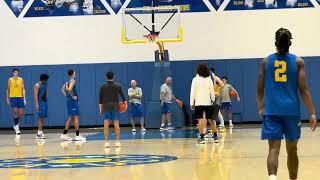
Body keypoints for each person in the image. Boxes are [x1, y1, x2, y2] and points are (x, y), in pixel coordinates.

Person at [257, 28, 317, 180]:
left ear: (275, 43)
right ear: (290, 42)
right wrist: (312, 112)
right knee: (292, 150)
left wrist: (260, 107)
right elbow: (303, 89)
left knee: (273, 150)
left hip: (272, 112)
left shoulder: (266, 62)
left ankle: (272, 178)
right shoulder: (298, 62)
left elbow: (259, 88)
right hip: (291, 112)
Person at [190, 63, 219, 144]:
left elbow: (192, 92)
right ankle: (215, 137)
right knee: (211, 120)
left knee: (200, 119)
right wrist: (213, 100)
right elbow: (212, 92)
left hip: (199, 103)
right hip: (208, 102)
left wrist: (191, 103)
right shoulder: (209, 79)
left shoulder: (195, 79)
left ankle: (202, 138)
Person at [99, 71, 126, 148]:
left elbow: (100, 100)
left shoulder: (102, 86)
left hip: (106, 107)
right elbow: (124, 98)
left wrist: (101, 110)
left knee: (106, 125)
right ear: (113, 77)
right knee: (116, 125)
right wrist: (125, 105)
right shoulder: (118, 86)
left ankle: (106, 142)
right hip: (115, 107)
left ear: (106, 77)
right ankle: (117, 142)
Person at [60, 69, 86, 141]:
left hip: (69, 101)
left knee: (71, 118)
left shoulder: (66, 82)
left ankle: (64, 134)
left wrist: (67, 96)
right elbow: (70, 89)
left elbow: (62, 89)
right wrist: (73, 96)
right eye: (75, 73)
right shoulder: (72, 81)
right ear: (73, 74)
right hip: (73, 102)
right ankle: (77, 135)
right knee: (76, 117)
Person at [7, 68, 26, 137]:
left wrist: (24, 99)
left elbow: (23, 89)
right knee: (16, 112)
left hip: (20, 97)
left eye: (17, 72)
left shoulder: (21, 79)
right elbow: (8, 89)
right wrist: (7, 99)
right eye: (15, 72)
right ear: (13, 73)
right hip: (13, 97)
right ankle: (17, 128)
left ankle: (16, 125)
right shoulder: (10, 80)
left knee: (21, 113)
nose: (16, 73)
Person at [34, 73, 49, 139]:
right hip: (40, 103)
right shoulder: (37, 85)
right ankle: (39, 133)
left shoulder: (45, 84)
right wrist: (37, 104)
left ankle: (40, 132)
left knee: (42, 118)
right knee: (40, 117)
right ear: (44, 79)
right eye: (46, 79)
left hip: (44, 103)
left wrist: (46, 101)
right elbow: (35, 95)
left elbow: (46, 93)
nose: (46, 81)